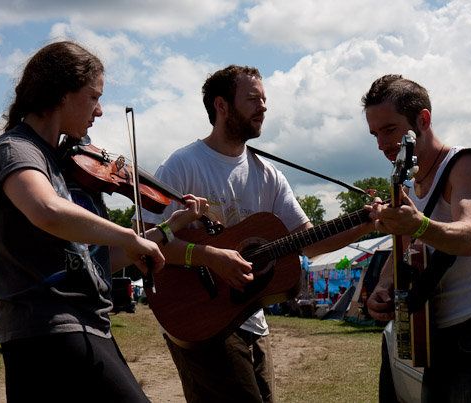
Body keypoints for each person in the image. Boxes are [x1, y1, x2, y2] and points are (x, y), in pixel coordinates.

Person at [0, 41, 208, 403]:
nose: (99, 111)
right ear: (62, 93)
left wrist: (168, 229)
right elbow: (47, 210)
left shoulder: (65, 164)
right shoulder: (14, 151)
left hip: (82, 323)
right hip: (48, 325)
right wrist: (127, 236)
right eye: (93, 97)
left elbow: (98, 259)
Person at [140, 65, 374, 403]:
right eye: (252, 99)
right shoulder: (183, 165)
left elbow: (308, 242)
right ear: (221, 106)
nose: (263, 106)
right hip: (198, 315)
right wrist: (208, 255)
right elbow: (144, 239)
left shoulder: (269, 176)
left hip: (249, 317)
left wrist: (365, 224)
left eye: (264, 99)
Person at [363, 74, 471, 402]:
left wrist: (418, 224)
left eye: (389, 129)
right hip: (438, 336)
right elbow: (404, 247)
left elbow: (468, 236)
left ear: (423, 120)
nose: (381, 144)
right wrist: (382, 288)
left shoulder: (465, 165)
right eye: (375, 134)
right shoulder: (409, 186)